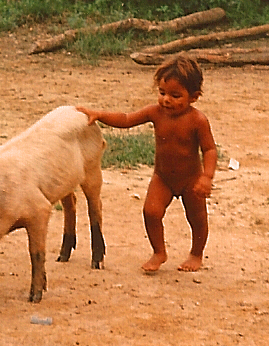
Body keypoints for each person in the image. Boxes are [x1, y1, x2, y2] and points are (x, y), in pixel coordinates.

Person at [77, 54, 217, 272]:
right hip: (163, 177)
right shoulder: (155, 112)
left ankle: (196, 253)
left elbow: (209, 149)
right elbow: (126, 119)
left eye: (175, 95)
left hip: (191, 179)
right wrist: (100, 114)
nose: (166, 100)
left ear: (194, 97)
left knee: (197, 218)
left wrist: (206, 177)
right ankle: (159, 252)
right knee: (151, 212)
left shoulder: (197, 120)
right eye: (162, 93)